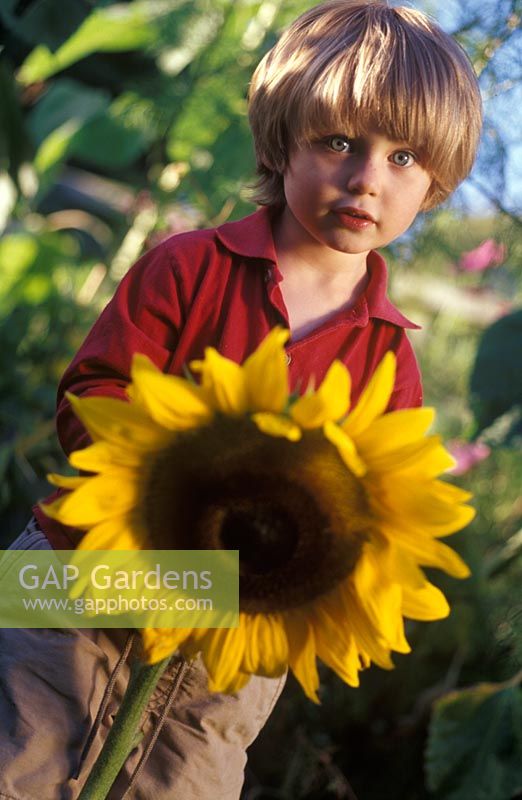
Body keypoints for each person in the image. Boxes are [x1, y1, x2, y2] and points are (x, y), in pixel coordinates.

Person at [0, 1, 482, 798]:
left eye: (403, 158)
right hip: (78, 576)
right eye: (339, 142)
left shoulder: (387, 355)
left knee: (184, 779)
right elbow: (92, 396)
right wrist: (178, 480)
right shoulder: (189, 265)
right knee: (17, 755)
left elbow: (373, 521)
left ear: (435, 184)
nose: (367, 177)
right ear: (283, 138)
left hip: (230, 640)